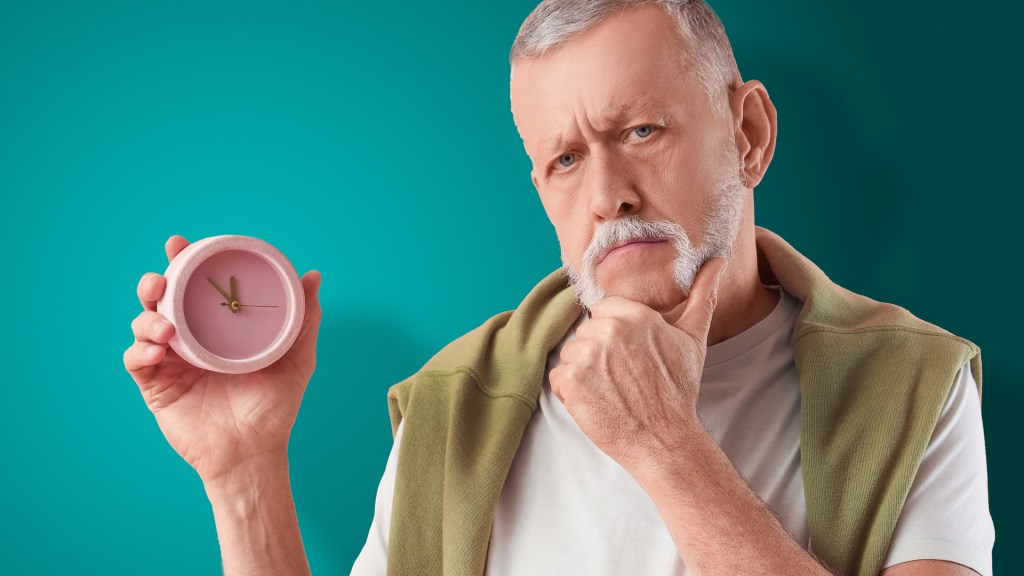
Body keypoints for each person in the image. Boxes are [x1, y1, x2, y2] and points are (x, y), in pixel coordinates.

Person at [124, 1, 994, 575]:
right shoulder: (453, 405)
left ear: (750, 134)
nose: (608, 194)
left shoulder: (912, 383)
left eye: (642, 129)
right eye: (566, 159)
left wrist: (666, 447)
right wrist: (245, 473)